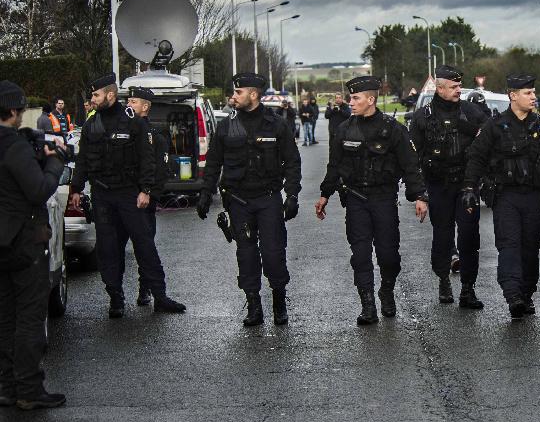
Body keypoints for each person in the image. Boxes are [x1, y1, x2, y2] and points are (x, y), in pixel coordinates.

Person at [69, 74, 185, 318]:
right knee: (108, 248)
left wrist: (146, 190)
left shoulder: (133, 122)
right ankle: (115, 297)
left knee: (144, 245)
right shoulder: (92, 124)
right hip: (102, 194)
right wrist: (76, 188)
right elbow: (82, 160)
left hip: (129, 195)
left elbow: (147, 158)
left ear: (110, 95)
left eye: (96, 95)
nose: (92, 99)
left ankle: (160, 296)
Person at [315, 75, 428, 325]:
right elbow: (334, 166)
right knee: (361, 254)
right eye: (351, 98)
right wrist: (325, 194)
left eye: (355, 98)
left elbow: (410, 165)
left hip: (384, 199)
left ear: (371, 99)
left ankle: (386, 291)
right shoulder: (344, 129)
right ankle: (367, 305)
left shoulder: (392, 129)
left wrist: (419, 195)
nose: (351, 102)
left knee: (389, 256)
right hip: (356, 199)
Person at [197, 73, 302, 327]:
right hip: (238, 201)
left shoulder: (276, 125)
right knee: (246, 254)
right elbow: (213, 163)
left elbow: (292, 161)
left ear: (253, 95)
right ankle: (254, 304)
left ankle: (279, 300)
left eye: (238, 92)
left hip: (268, 200)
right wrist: (204, 193)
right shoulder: (226, 127)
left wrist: (292, 195)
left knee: (273, 253)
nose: (233, 97)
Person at [462, 73, 540, 318]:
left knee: (531, 246)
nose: (533, 97)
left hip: (533, 195)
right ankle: (513, 295)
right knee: (509, 244)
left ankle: (527, 293)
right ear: (513, 96)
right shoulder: (494, 127)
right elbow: (476, 158)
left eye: (533, 92)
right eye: (528, 93)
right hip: (505, 196)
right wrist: (469, 188)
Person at [0, 80, 67, 410]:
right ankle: (28, 388)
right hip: (23, 243)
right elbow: (38, 190)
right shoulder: (13, 146)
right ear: (13, 112)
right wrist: (55, 165)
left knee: (5, 316)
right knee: (29, 316)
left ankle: (7, 386)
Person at [409, 65, 490, 308]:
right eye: (453, 87)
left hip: (466, 185)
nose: (458, 90)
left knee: (469, 236)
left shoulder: (471, 112)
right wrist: (420, 194)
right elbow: (413, 158)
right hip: (438, 185)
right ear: (440, 88)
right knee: (442, 235)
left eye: (459, 86)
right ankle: (443, 279)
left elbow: (489, 138)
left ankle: (467, 288)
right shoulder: (423, 116)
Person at [126, 87, 170, 307]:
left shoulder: (155, 135)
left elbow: (160, 171)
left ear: (145, 107)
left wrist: (151, 195)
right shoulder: (123, 132)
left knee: (144, 246)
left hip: (144, 201)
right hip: (123, 198)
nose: (128, 105)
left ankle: (145, 289)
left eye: (133, 101)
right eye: (128, 100)